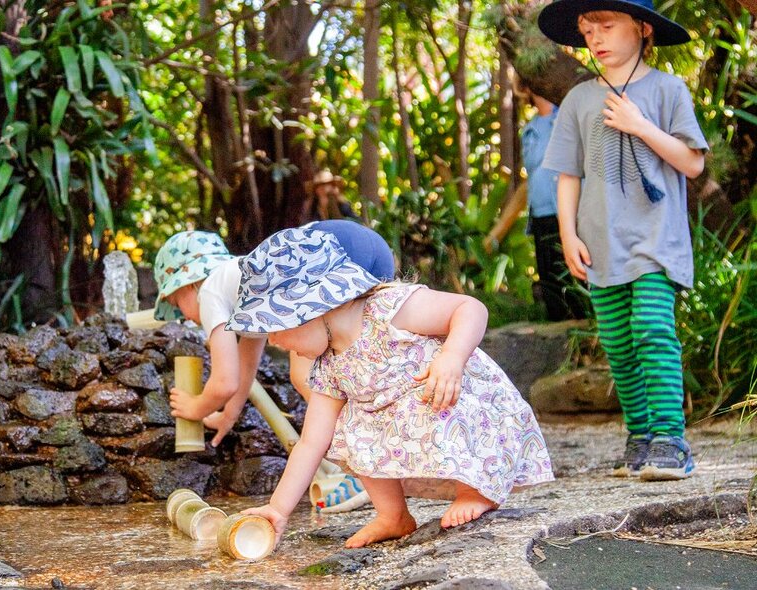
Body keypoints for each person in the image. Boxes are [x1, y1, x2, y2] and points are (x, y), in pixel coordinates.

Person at [228, 227, 553, 548]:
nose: (273, 342)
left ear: (310, 312)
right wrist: (278, 508)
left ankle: (475, 490)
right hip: (416, 415)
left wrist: (452, 358)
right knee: (348, 428)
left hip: (463, 399)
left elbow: (469, 308)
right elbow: (311, 443)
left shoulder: (387, 309)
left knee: (434, 388)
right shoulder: (329, 366)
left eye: (274, 328)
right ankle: (393, 515)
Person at [538, 0, 708, 480]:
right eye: (586, 29)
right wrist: (568, 235)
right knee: (617, 342)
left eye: (607, 26)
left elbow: (693, 163)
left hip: (656, 240)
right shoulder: (578, 100)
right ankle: (640, 435)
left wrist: (640, 125)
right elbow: (568, 175)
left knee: (653, 331)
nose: (595, 37)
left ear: (642, 29)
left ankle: (670, 439)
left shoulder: (668, 89)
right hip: (600, 243)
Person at [157, 222, 394, 510]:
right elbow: (247, 366)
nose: (182, 316)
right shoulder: (242, 282)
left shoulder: (209, 291)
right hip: (363, 246)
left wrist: (196, 407)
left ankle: (360, 470)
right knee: (351, 372)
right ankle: (384, 463)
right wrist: (227, 416)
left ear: (190, 283)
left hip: (327, 251)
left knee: (311, 382)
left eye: (174, 301)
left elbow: (225, 381)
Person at [514, 77, 588, 321]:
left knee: (576, 274)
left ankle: (586, 328)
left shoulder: (567, 117)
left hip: (569, 211)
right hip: (541, 213)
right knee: (550, 277)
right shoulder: (530, 130)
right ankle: (559, 330)